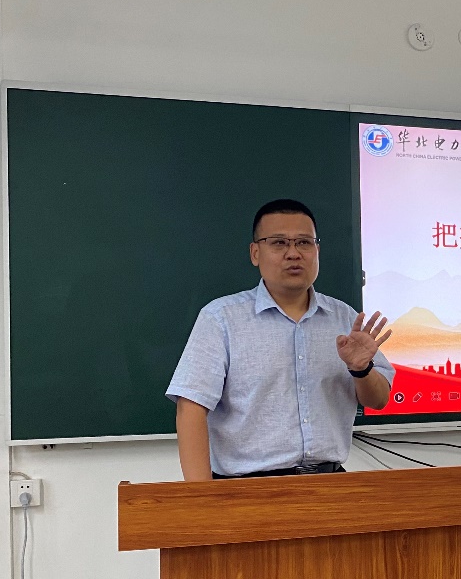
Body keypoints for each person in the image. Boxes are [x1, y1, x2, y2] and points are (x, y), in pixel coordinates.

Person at [166, 198, 394, 481]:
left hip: (330, 484)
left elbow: (379, 400)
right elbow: (191, 407)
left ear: (317, 251)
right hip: (247, 489)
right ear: (255, 253)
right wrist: (200, 497)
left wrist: (361, 370)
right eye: (279, 243)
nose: (293, 253)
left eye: (304, 243)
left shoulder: (344, 318)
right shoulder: (221, 318)